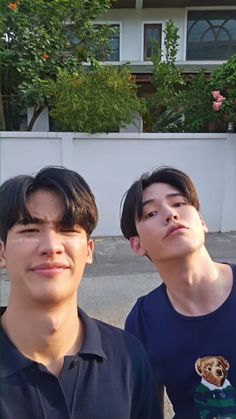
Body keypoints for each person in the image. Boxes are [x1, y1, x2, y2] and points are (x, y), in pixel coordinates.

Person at [0, 166, 160, 419]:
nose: (52, 246)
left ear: (88, 250)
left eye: (68, 230)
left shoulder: (130, 358)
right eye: (30, 230)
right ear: (2, 253)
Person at [120, 166, 236, 419]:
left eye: (179, 203)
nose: (170, 214)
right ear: (137, 245)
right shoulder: (143, 322)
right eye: (151, 212)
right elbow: (144, 411)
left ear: (202, 221)